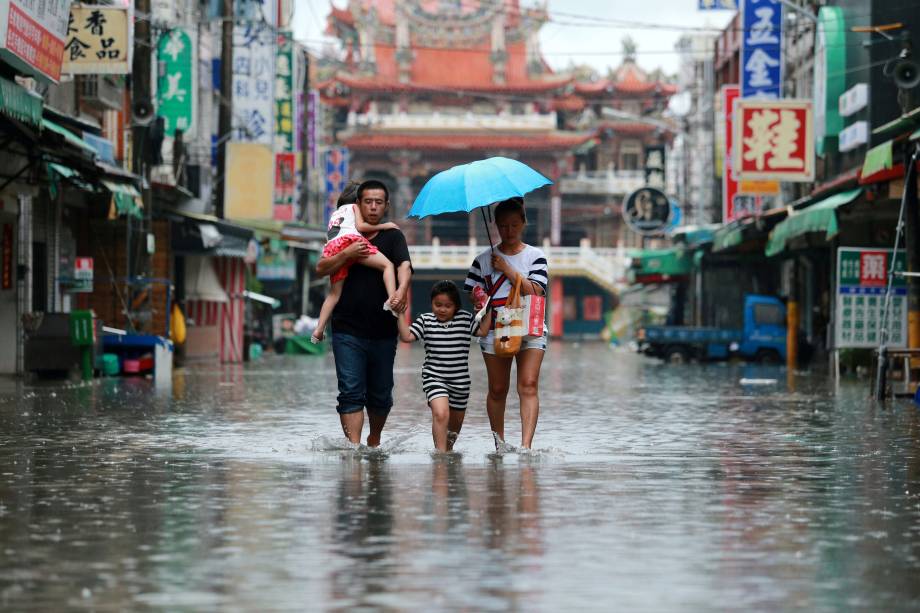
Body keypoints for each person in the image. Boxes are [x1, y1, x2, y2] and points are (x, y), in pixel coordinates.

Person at [315, 180, 413, 447]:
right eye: (366, 202)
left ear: (386, 206)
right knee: (350, 392)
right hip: (347, 329)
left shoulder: (393, 237)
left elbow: (404, 265)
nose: (371, 207)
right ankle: (354, 449)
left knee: (381, 395)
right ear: (356, 205)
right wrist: (346, 254)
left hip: (383, 330)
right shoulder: (339, 239)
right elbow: (321, 268)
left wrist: (401, 289)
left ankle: (374, 438)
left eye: (377, 202)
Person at [464, 197, 548, 449]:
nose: (508, 231)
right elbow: (473, 291)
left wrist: (508, 269)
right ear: (495, 226)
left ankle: (526, 446)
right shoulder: (483, 259)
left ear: (523, 223)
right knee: (498, 388)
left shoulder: (536, 256)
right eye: (502, 226)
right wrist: (479, 297)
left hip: (529, 327)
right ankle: (499, 444)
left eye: (513, 225)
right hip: (496, 328)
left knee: (529, 384)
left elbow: (537, 290)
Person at [396, 280, 492, 452]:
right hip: (434, 378)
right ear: (431, 303)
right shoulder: (426, 320)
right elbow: (407, 336)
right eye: (438, 304)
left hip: (460, 383)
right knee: (441, 414)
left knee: (453, 433)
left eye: (448, 305)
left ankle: (447, 454)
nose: (442, 309)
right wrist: (400, 314)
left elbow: (483, 331)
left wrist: (488, 310)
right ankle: (440, 457)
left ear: (456, 306)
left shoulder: (464, 319)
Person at [311, 181, 399, 343]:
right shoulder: (355, 207)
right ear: (359, 200)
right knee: (388, 265)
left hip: (332, 248)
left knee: (334, 294)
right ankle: (392, 299)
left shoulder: (336, 213)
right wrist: (385, 225)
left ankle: (318, 329)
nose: (370, 206)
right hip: (351, 242)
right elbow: (361, 226)